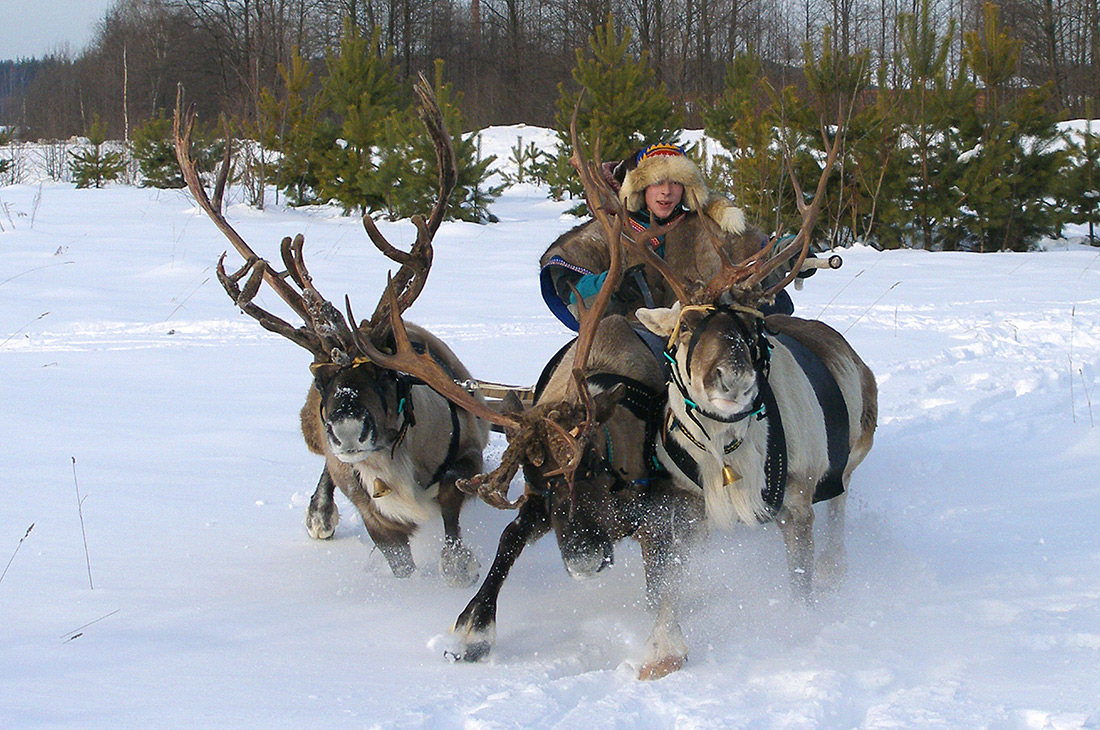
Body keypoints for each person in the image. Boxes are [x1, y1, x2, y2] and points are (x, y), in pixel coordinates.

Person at [540, 142, 792, 332]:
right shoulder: (608, 230)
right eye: (657, 182)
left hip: (697, 340)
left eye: (676, 183)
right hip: (630, 342)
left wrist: (787, 251)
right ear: (640, 187)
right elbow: (568, 284)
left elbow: (758, 254)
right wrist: (612, 283)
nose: (666, 192)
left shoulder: (706, 228)